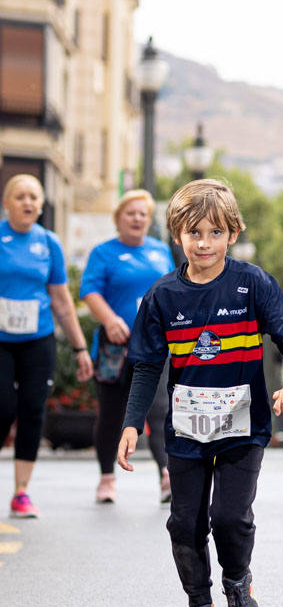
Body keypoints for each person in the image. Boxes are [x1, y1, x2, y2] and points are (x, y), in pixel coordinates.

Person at [116, 179, 283, 607]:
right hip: (185, 430)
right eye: (193, 233)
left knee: (228, 517)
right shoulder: (162, 296)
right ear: (177, 236)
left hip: (244, 428)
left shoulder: (252, 283)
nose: (204, 243)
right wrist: (130, 423)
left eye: (215, 233)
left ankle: (238, 586)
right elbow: (146, 367)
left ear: (233, 233)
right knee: (184, 521)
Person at [2, 174, 94, 519]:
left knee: (32, 409)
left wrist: (80, 348)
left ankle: (21, 492)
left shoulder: (49, 243)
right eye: (21, 196)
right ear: (7, 202)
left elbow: (60, 299)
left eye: (34, 198)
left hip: (37, 338)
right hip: (1, 340)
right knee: (2, 404)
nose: (28, 203)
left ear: (41, 206)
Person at [79, 190, 174, 505]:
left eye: (143, 214)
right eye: (130, 213)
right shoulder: (103, 253)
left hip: (154, 346)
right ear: (119, 218)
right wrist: (109, 320)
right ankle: (107, 478)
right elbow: (90, 292)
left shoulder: (161, 251)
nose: (137, 219)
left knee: (160, 409)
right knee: (112, 414)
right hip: (115, 350)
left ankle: (166, 476)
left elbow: (171, 292)